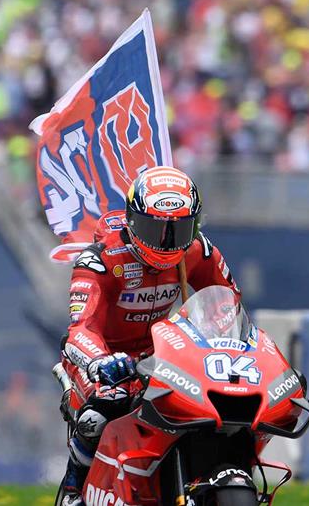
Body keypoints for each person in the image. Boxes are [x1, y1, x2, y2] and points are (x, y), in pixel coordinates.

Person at [57, 166, 241, 505]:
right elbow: (80, 329)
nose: (166, 242)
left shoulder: (197, 252)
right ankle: (73, 488)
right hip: (104, 359)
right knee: (103, 409)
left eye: (178, 229)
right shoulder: (99, 261)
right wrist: (100, 362)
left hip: (165, 355)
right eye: (155, 229)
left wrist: (222, 343)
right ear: (132, 219)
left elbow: (228, 304)